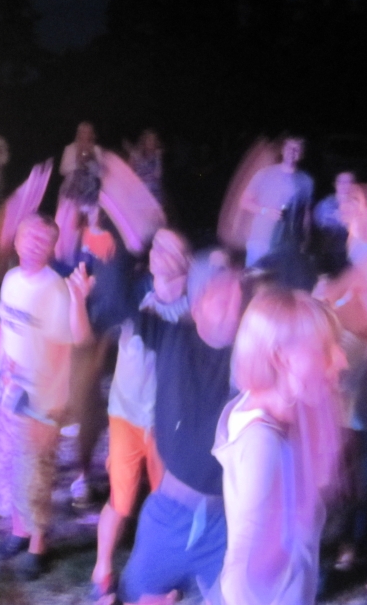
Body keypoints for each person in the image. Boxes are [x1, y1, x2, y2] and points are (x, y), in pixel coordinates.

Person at [0, 214, 94, 580]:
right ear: (17, 241)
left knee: (35, 474)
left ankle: (38, 547)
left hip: (40, 402)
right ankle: (19, 532)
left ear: (52, 249)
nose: (34, 244)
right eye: (29, 236)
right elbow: (5, 327)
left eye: (44, 240)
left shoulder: (55, 290)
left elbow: (74, 343)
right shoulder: (13, 280)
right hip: (10, 394)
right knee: (9, 465)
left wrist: (47, 400)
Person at [208, 287, 344, 605]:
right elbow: (241, 570)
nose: (342, 360)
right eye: (325, 349)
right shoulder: (262, 443)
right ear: (281, 358)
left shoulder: (272, 408)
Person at [117, 255, 240, 605]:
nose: (234, 310)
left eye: (239, 300)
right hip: (169, 517)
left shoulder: (247, 357)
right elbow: (117, 301)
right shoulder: (172, 338)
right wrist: (128, 247)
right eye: (223, 299)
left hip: (226, 525)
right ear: (197, 306)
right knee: (137, 597)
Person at [89, 228, 191, 599]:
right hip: (126, 416)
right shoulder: (136, 295)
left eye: (169, 246)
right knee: (121, 499)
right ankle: (102, 570)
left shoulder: (193, 311)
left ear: (186, 262)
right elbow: (106, 302)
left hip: (168, 423)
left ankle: (163, 576)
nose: (157, 250)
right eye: (156, 244)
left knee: (167, 504)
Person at [239, 135, 314, 281]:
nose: (292, 152)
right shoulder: (265, 174)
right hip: (261, 239)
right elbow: (244, 201)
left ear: (302, 154)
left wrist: (305, 239)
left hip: (287, 245)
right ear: (283, 150)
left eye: (297, 148)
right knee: (254, 281)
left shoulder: (305, 180)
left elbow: (306, 213)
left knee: (278, 285)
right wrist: (265, 211)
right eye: (289, 147)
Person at [313, 170, 356, 276]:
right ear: (335, 184)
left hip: (353, 258)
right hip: (329, 258)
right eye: (342, 182)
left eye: (349, 182)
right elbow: (318, 233)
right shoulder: (325, 206)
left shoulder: (360, 207)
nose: (345, 186)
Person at [128, 129, 164, 202]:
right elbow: (128, 173)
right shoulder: (135, 155)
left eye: (154, 140)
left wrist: (158, 159)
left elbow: (158, 175)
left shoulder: (156, 157)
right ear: (144, 141)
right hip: (139, 192)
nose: (152, 142)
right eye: (149, 140)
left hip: (154, 194)